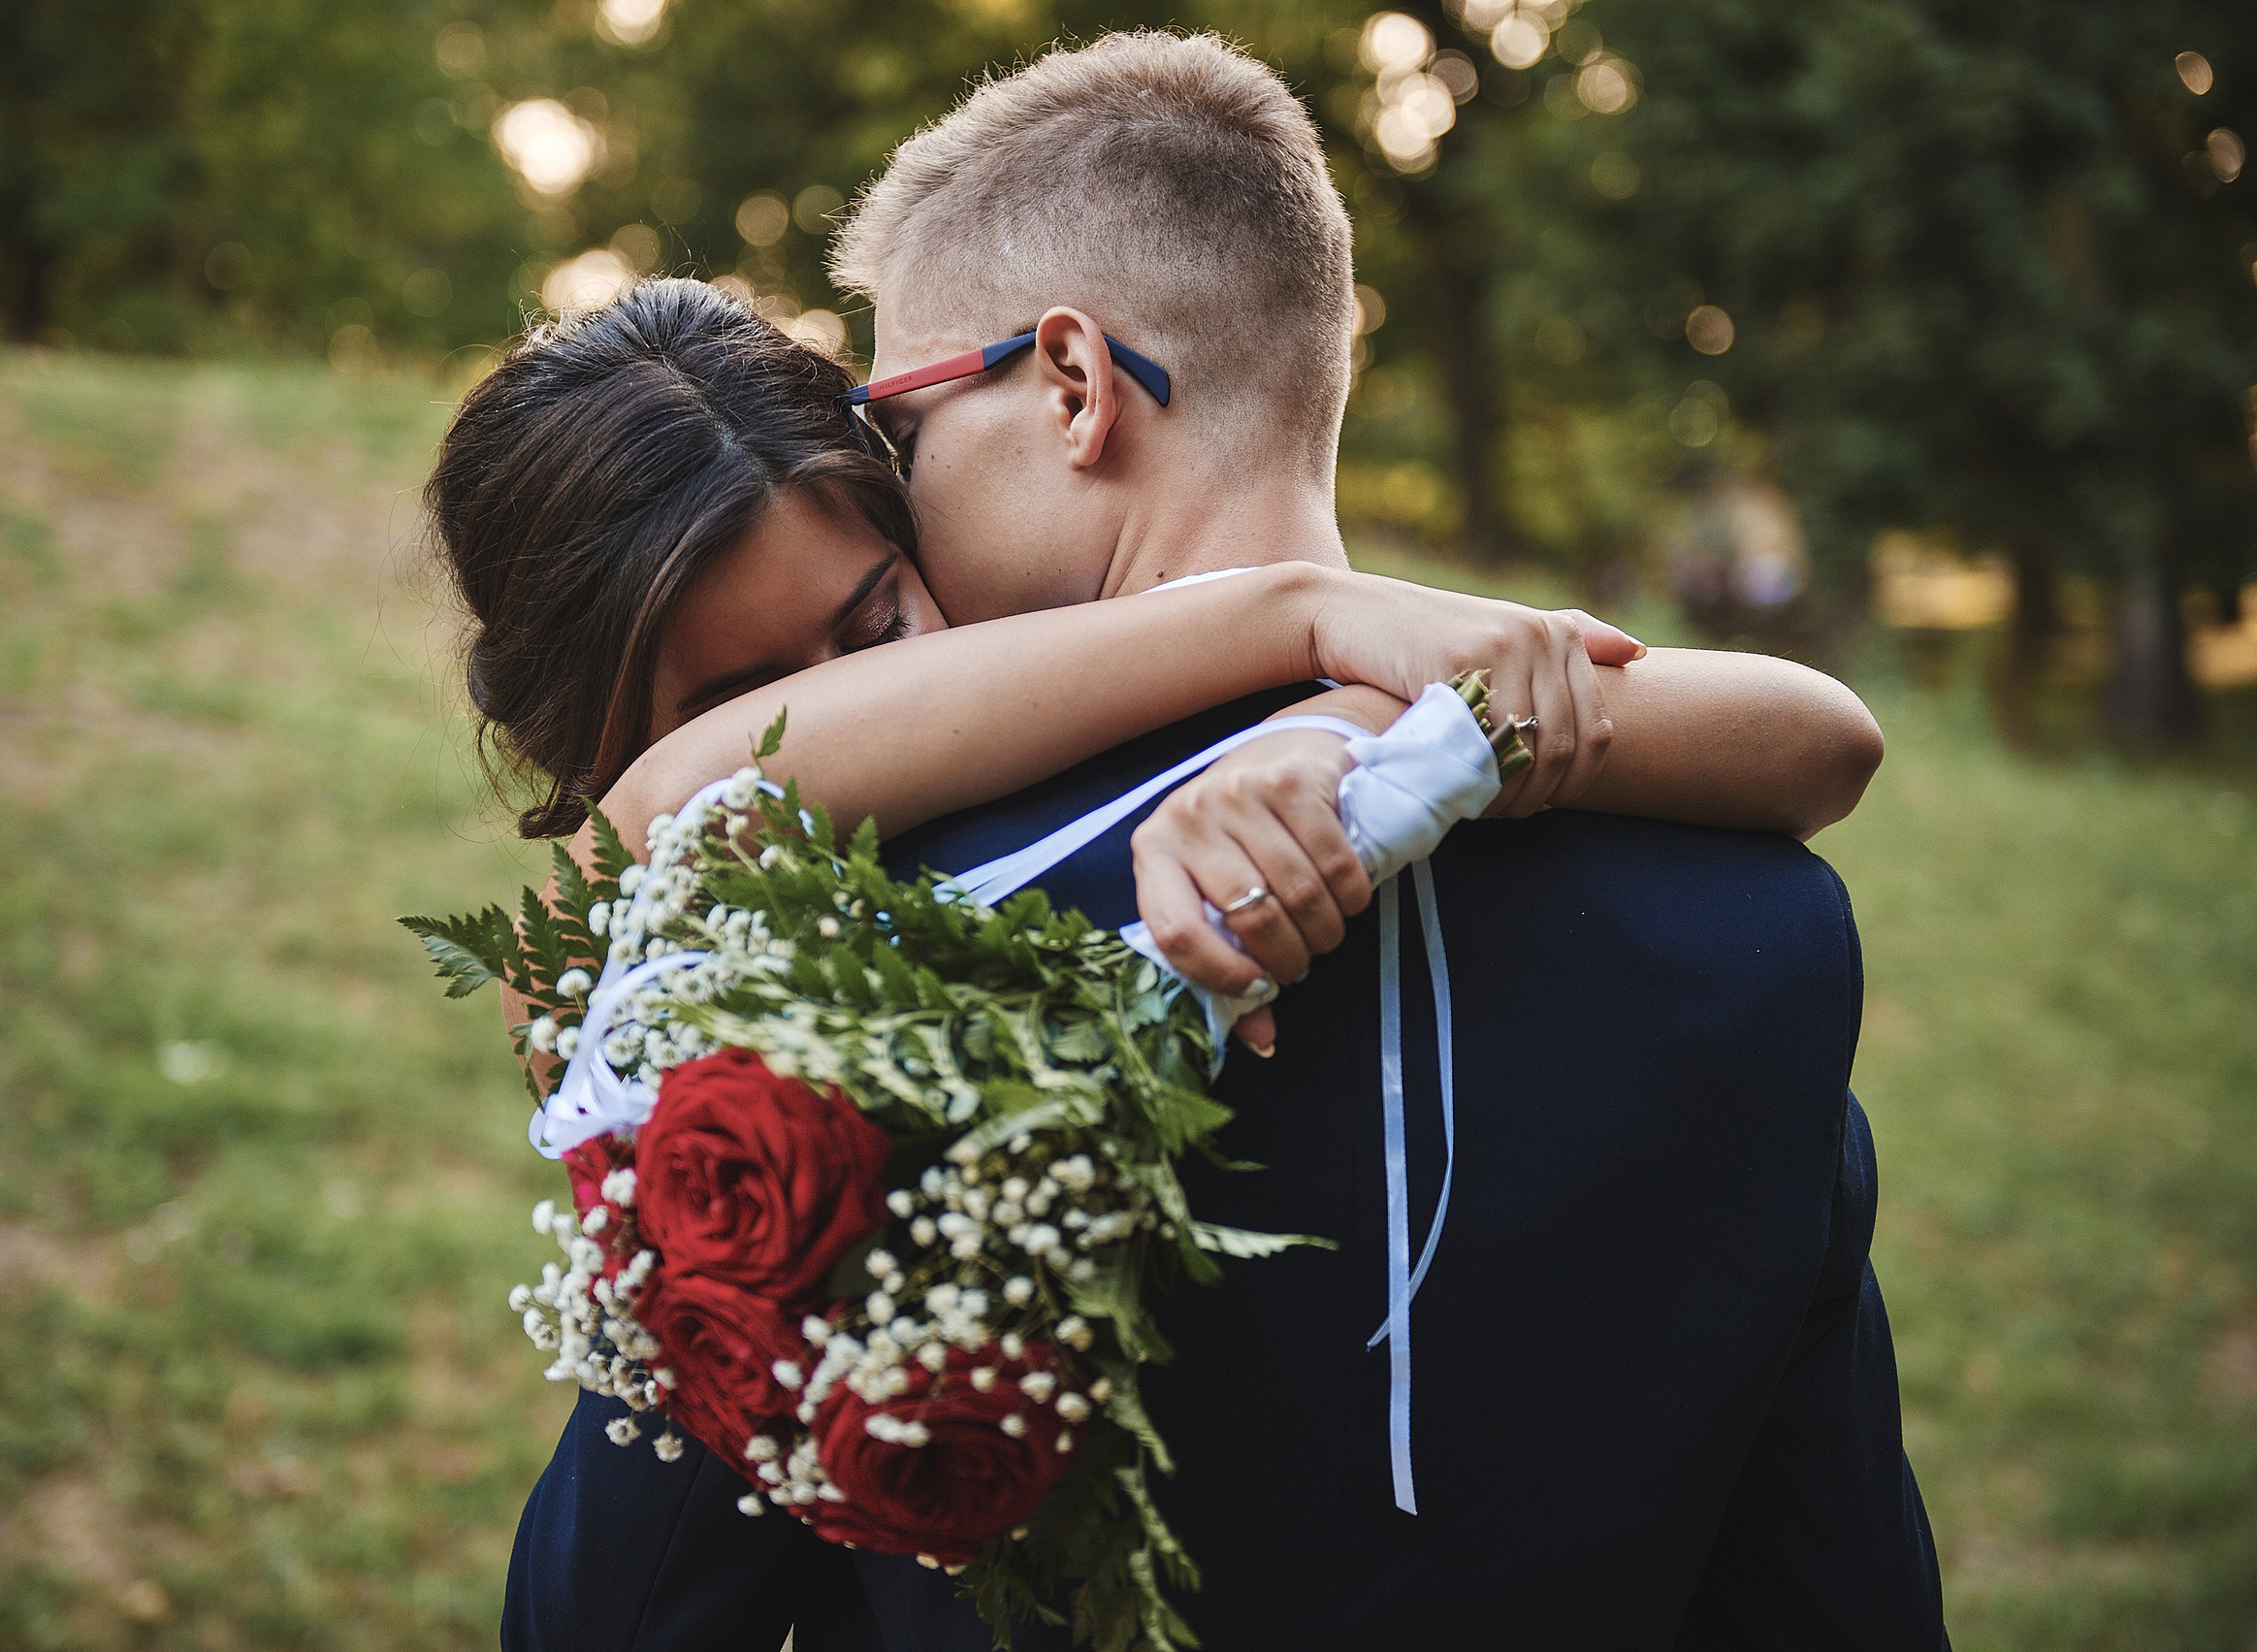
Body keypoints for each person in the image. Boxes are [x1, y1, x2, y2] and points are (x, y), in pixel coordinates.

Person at [428, 36, 1942, 1652]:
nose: (900, 483)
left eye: (900, 417)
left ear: (1072, 385)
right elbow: (1836, 1593)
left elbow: (626, 1614)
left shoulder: (838, 955)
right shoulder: (1758, 930)